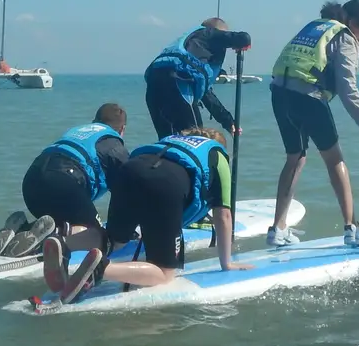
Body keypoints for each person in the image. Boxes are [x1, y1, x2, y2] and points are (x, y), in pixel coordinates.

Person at [41, 127, 250, 304]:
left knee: (115, 239)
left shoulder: (173, 141)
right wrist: (227, 263)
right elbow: (223, 215)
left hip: (130, 171)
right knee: (165, 273)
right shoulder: (218, 154)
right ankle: (101, 269)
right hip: (166, 184)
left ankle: (64, 244)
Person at [267, 0, 359, 248]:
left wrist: (358, 47)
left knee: (296, 157)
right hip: (308, 98)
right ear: (353, 24)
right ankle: (352, 228)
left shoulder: (315, 28)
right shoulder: (346, 38)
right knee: (335, 160)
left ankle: (277, 229)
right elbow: (348, 88)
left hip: (279, 93)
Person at [0, 104, 130, 257]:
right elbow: (132, 190)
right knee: (100, 238)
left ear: (93, 121)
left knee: (64, 216)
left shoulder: (78, 131)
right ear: (122, 129)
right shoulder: (116, 147)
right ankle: (51, 238)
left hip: (32, 180)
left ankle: (23, 228)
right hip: (64, 182)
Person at [144, 19, 252, 138]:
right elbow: (244, 38)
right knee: (195, 140)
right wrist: (240, 45)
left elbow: (207, 96)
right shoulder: (210, 34)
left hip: (153, 83)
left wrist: (228, 122)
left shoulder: (188, 46)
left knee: (168, 139)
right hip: (178, 84)